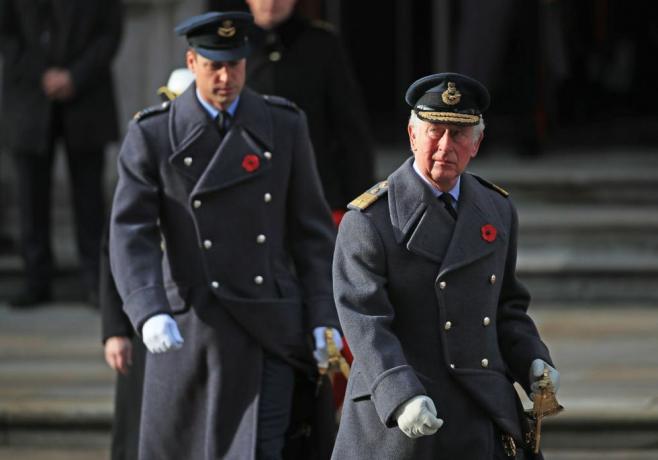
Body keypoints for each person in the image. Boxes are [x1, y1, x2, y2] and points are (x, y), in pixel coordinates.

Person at [109, 11, 341, 460]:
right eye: (214, 64)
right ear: (191, 62)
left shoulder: (283, 124)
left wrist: (322, 316)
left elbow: (311, 234)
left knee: (258, 449)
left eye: (234, 64)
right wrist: (147, 307)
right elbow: (129, 230)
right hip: (190, 324)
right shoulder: (154, 134)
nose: (225, 76)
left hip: (266, 325)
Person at [331, 73, 559, 459]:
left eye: (459, 135)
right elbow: (366, 324)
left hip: (480, 409)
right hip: (406, 416)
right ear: (412, 135)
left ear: (477, 143)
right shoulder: (370, 221)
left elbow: (505, 308)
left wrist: (532, 357)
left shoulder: (497, 209)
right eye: (434, 131)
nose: (445, 146)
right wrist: (401, 395)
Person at [0, 0, 122, 306]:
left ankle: (96, 280)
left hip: (86, 97)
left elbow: (110, 34)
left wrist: (74, 76)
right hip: (29, 98)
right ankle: (35, 278)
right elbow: (7, 33)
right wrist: (41, 74)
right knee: (30, 195)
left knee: (89, 197)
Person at [101, 67, 194, 460]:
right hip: (148, 316)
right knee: (139, 426)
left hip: (198, 316)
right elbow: (115, 251)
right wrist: (115, 330)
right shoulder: (143, 159)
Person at [241, 0, 376, 224]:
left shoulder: (321, 44)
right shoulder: (234, 48)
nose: (271, 2)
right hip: (249, 192)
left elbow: (350, 128)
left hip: (317, 192)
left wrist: (358, 201)